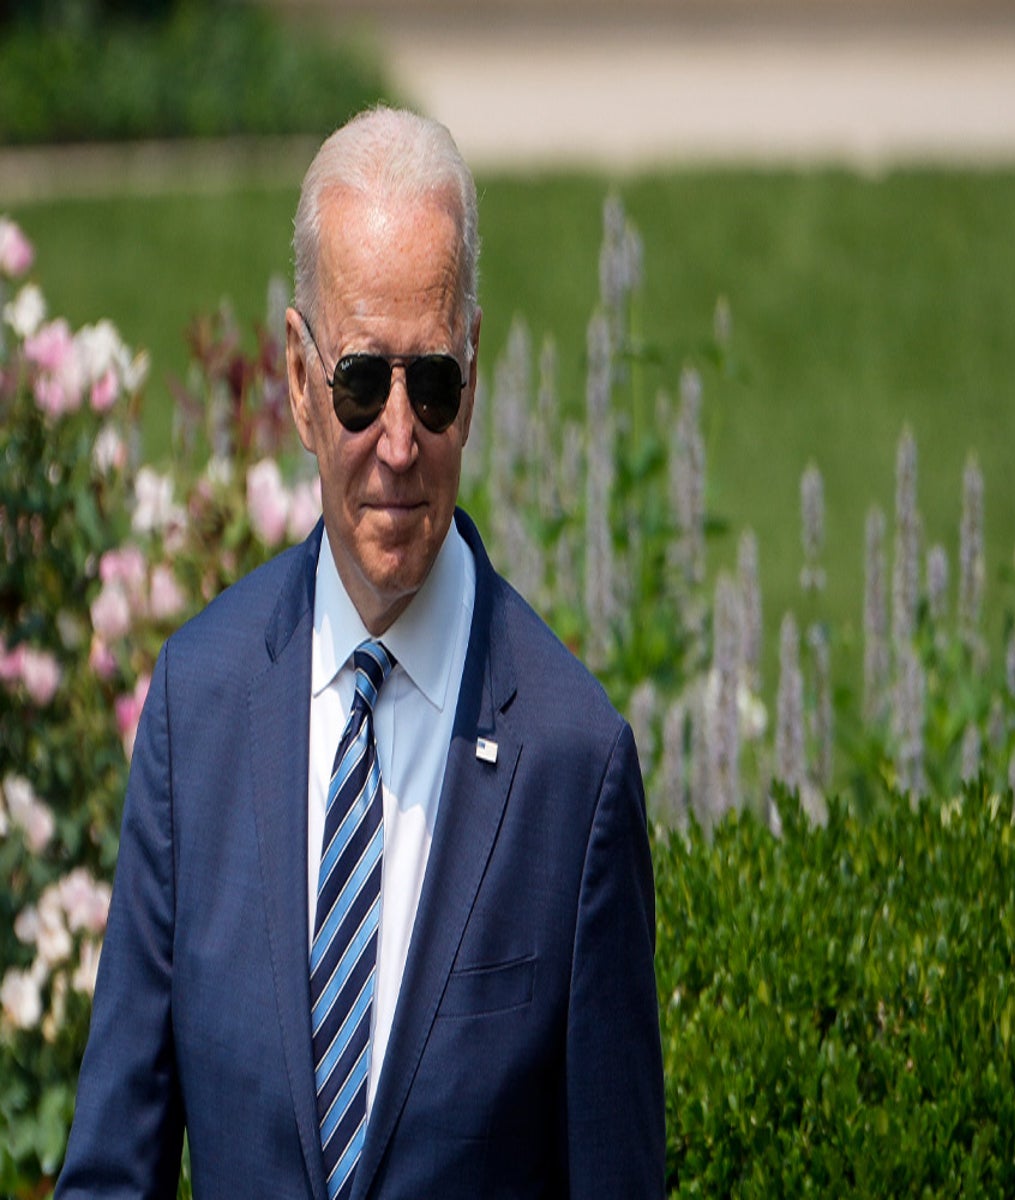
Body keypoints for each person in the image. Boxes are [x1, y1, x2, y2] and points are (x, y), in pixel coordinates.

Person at [57, 106, 664, 1199]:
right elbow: (114, 1169)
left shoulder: (575, 768)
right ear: (297, 384)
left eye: (430, 384)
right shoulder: (198, 705)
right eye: (359, 383)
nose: (397, 440)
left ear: (471, 379)